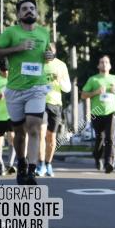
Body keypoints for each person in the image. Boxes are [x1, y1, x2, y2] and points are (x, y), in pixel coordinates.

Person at [0, 0, 53, 185]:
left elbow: (48, 53)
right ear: (18, 15)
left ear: (36, 13)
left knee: (33, 126)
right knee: (19, 133)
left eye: (32, 8)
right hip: (15, 90)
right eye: (24, 9)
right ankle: (22, 162)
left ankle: (32, 171)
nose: (29, 11)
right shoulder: (10, 32)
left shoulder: (44, 33)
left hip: (37, 88)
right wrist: (18, 48)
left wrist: (50, 56)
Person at [81, 55, 115, 173]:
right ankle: (97, 157)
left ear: (110, 65)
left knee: (110, 138)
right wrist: (96, 92)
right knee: (100, 138)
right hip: (97, 113)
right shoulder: (93, 79)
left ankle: (108, 163)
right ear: (98, 65)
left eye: (106, 62)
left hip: (112, 112)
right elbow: (83, 95)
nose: (104, 64)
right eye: (102, 62)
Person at [36, 44, 70, 177]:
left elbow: (67, 88)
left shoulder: (61, 65)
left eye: (50, 49)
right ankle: (40, 164)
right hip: (40, 103)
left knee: (52, 137)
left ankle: (48, 164)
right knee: (41, 134)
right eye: (45, 49)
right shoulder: (37, 64)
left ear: (55, 51)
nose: (48, 51)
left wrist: (59, 80)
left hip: (55, 104)